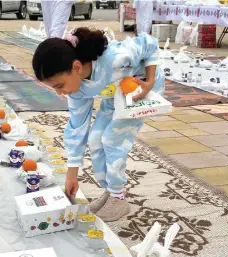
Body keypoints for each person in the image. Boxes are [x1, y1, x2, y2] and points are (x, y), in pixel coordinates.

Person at [32, 27, 164, 222]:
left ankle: (118, 197)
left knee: (111, 139)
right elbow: (77, 129)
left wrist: (150, 82)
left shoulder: (115, 58)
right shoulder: (76, 90)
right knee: (95, 139)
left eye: (60, 85)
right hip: (115, 95)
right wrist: (71, 175)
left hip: (138, 91)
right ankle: (111, 191)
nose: (60, 93)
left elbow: (149, 43)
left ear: (77, 67)